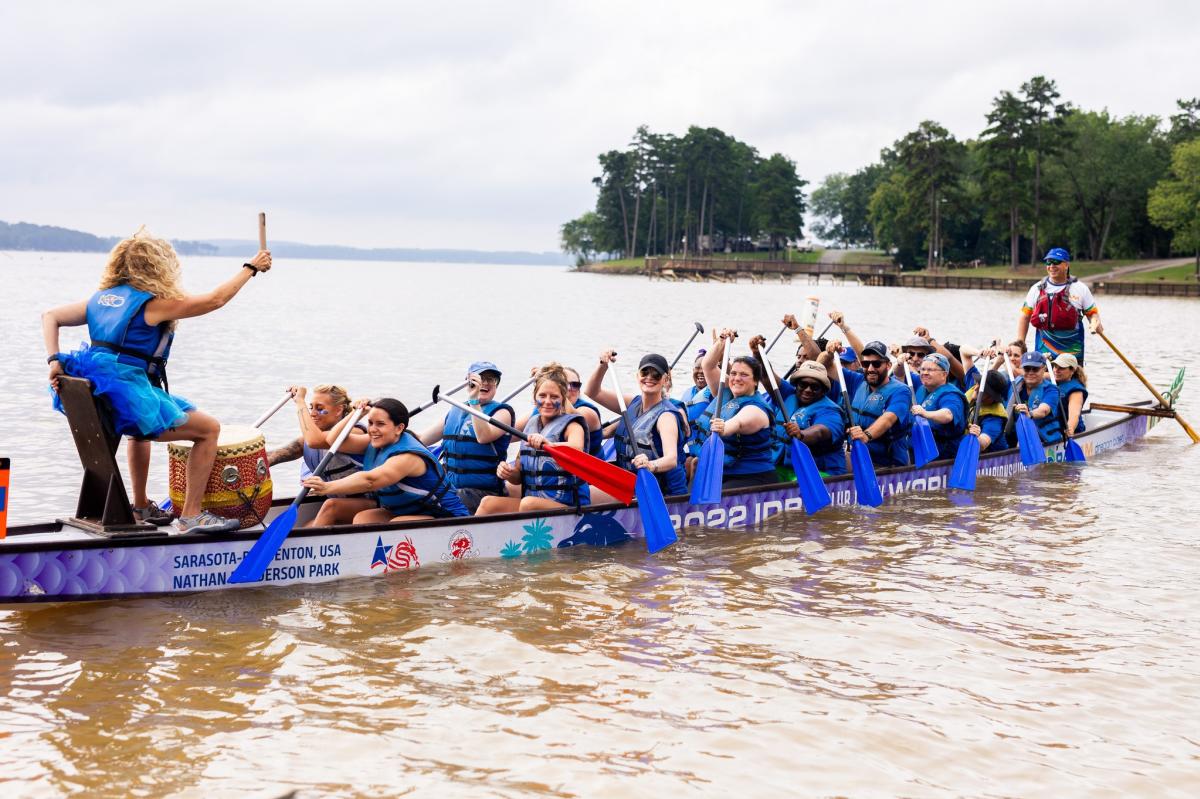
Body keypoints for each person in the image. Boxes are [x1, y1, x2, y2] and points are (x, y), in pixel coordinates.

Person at [42, 229, 272, 533]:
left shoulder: (100, 300)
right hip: (126, 391)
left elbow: (50, 315)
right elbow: (215, 300)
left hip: (102, 392)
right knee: (208, 430)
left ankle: (139, 506)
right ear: (158, 266)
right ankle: (191, 515)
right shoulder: (152, 304)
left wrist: (54, 359)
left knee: (140, 431)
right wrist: (250, 268)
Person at [303, 398, 469, 523]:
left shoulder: (408, 457)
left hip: (445, 517)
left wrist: (327, 487)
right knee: (364, 518)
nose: (373, 429)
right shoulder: (374, 441)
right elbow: (334, 440)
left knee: (395, 525)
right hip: (404, 510)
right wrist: (356, 414)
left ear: (399, 428)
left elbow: (370, 480)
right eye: (370, 423)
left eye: (380, 424)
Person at [476, 364, 591, 514]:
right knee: (488, 503)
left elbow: (577, 449)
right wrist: (509, 473)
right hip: (531, 504)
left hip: (567, 507)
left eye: (554, 396)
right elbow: (518, 476)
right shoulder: (531, 424)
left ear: (563, 399)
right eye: (542, 396)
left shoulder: (573, 425)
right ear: (534, 398)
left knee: (528, 504)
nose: (547, 401)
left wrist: (549, 444)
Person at [585, 351, 688, 496]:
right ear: (637, 376)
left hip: (658, 490)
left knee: (585, 495)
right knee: (581, 488)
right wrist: (603, 366)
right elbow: (592, 392)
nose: (649, 378)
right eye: (645, 372)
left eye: (656, 375)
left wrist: (650, 465)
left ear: (665, 380)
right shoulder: (632, 402)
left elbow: (671, 459)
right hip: (629, 481)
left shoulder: (666, 416)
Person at [417, 361, 514, 513]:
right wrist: (393, 428)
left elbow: (483, 436)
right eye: (480, 378)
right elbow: (422, 439)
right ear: (467, 382)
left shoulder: (503, 413)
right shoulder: (455, 410)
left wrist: (474, 400)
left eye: (491, 379)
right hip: (451, 488)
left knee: (448, 502)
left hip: (483, 492)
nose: (485, 383)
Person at [699, 329, 777, 487]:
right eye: (733, 373)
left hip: (752, 476)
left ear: (755, 381)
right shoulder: (725, 391)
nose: (736, 379)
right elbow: (707, 365)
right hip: (722, 471)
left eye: (744, 375)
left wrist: (723, 427)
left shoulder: (756, 409)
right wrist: (722, 342)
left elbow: (739, 423)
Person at [821, 337, 912, 468]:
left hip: (887, 462)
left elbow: (888, 418)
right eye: (865, 364)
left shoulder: (901, 391)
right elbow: (824, 365)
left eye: (876, 364)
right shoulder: (856, 381)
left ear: (888, 365)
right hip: (858, 453)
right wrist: (828, 353)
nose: (870, 368)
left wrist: (866, 435)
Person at [267, 384, 366, 498]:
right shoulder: (309, 439)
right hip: (334, 502)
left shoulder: (355, 431)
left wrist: (300, 401)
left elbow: (314, 441)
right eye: (311, 408)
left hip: (362, 503)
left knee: (329, 507)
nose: (312, 414)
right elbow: (274, 456)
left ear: (339, 410)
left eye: (319, 409)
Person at [1017, 247, 1104, 363]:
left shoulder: (1080, 289)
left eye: (1056, 262)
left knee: (1071, 378)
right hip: (1044, 349)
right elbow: (1025, 317)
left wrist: (1095, 322)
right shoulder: (1036, 289)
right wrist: (1020, 345)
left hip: (1072, 351)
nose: (1052, 266)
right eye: (1048, 262)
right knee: (1043, 378)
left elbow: (1093, 314)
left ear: (1066, 265)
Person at [782, 360, 847, 476]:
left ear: (823, 391)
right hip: (793, 468)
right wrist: (757, 354)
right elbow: (768, 378)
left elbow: (820, 431)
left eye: (814, 387)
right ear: (796, 385)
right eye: (803, 385)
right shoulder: (789, 396)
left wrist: (801, 434)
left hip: (823, 473)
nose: (807, 390)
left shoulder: (831, 412)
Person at [911, 353, 967, 461]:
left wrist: (925, 413)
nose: (925, 373)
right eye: (922, 369)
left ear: (944, 375)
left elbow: (948, 415)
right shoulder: (922, 387)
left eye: (931, 370)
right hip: (919, 448)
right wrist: (899, 362)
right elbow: (899, 374)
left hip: (942, 453)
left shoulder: (951, 395)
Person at [1014, 351, 1062, 444]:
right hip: (1018, 436)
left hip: (1042, 438)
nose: (1030, 372)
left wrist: (1030, 413)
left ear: (1044, 369)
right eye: (1027, 369)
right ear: (1021, 369)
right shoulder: (1014, 385)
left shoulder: (1051, 390)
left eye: (1035, 369)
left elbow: (1043, 410)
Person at [965, 370, 1012, 452]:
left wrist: (975, 436)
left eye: (983, 389)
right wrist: (979, 356)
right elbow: (965, 357)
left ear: (992, 397)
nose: (975, 388)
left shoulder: (994, 419)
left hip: (993, 460)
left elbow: (983, 444)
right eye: (978, 383)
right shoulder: (975, 391)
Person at [564, 366, 604, 458]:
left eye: (575, 385)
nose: (569, 388)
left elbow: (568, 418)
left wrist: (545, 381)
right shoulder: (546, 407)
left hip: (591, 470)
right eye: (563, 384)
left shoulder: (587, 412)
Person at [1050, 353, 1088, 436]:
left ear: (1072, 370)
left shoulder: (1075, 390)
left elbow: (1074, 414)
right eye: (1055, 366)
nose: (1056, 370)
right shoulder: (1051, 382)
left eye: (1062, 368)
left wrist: (1070, 429)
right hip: (1053, 431)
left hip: (1072, 433)